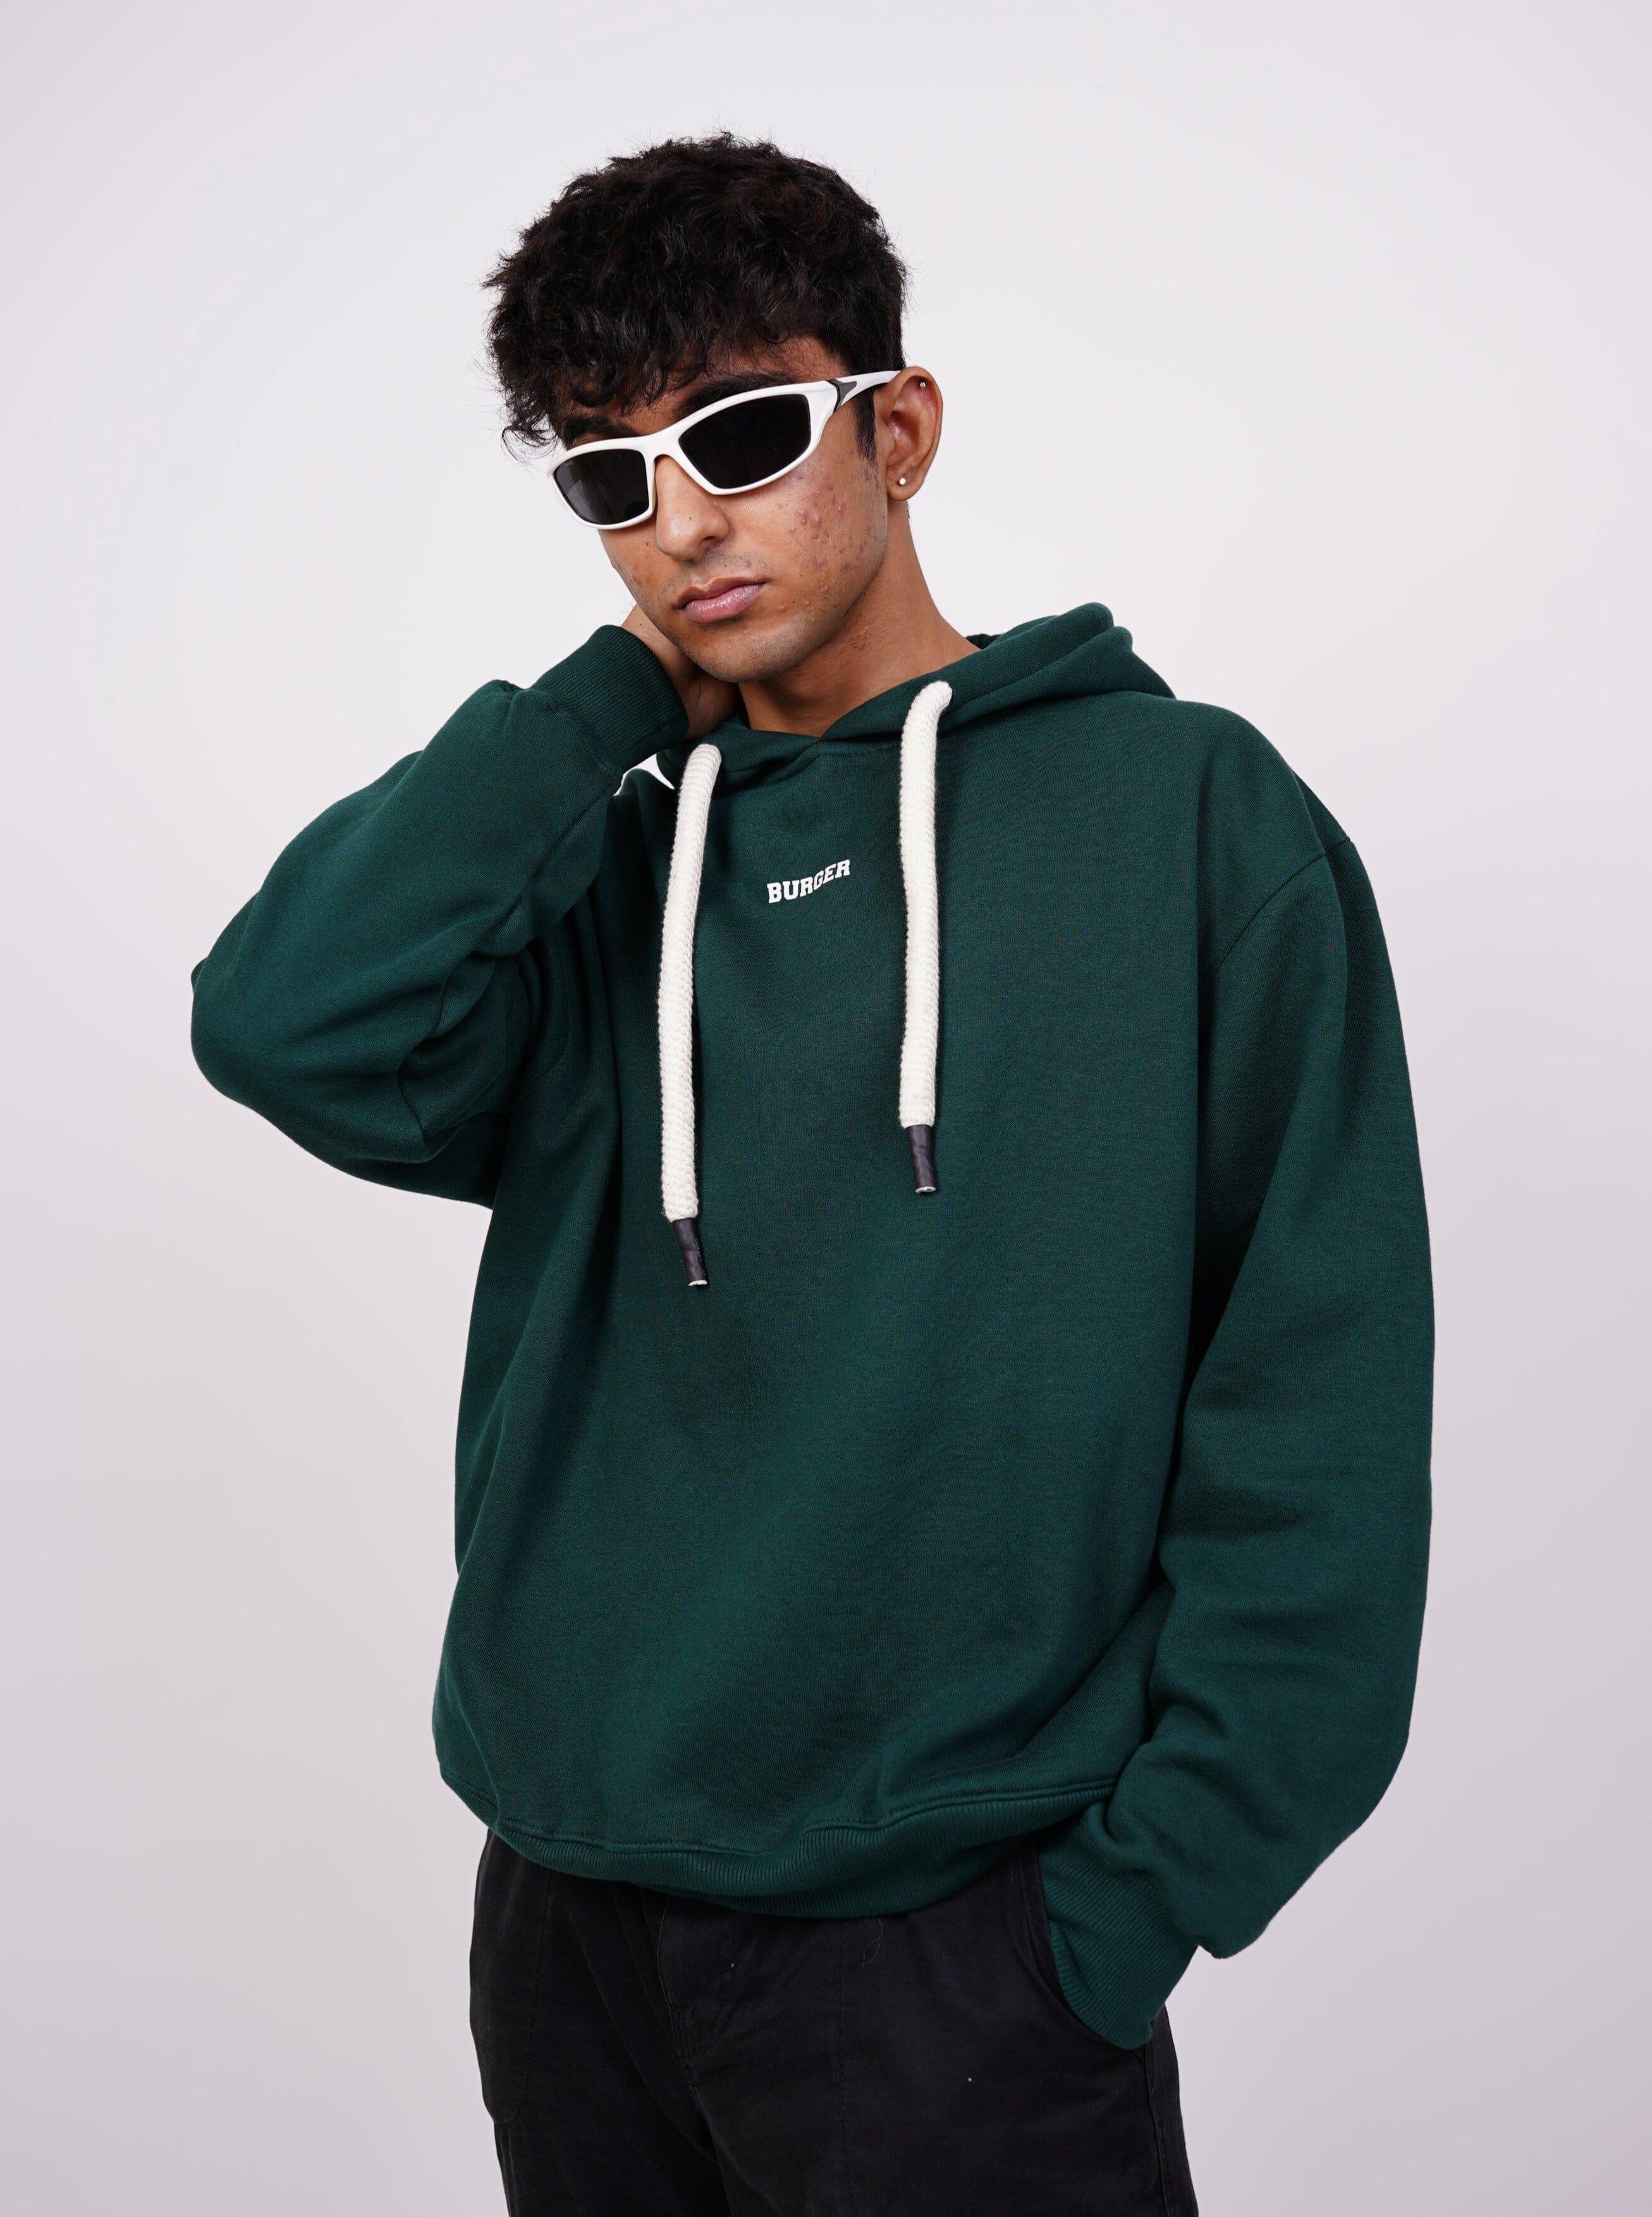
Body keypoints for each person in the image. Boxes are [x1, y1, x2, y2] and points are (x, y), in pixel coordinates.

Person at [190, 133, 1433, 2216]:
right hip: (574, 1932)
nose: (683, 519)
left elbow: (1317, 1404)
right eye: (611, 475)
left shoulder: (1194, 822)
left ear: (900, 426)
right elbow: (282, 1020)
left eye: (741, 435)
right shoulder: (602, 880)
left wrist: (1121, 1917)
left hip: (968, 1954)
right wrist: (605, 704)